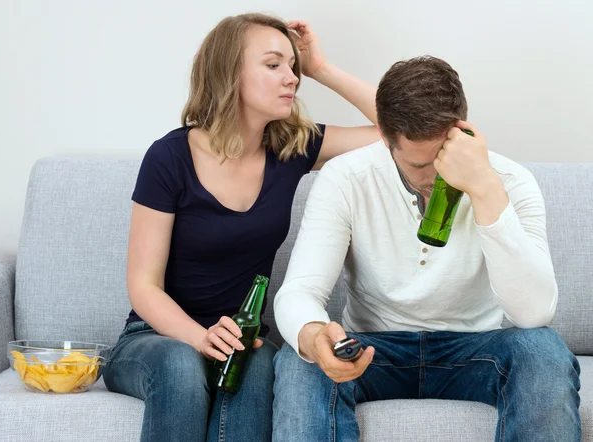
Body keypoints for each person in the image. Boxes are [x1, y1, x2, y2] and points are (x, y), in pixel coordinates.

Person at [272, 55, 581, 441]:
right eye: (420, 165)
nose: (437, 178)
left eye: (443, 157)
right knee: (300, 359)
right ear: (385, 138)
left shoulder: (511, 182)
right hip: (375, 350)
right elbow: (301, 290)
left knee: (543, 350)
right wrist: (314, 335)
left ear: (462, 130)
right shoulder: (346, 177)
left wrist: (484, 189)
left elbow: (533, 313)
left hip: (474, 351)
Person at [102, 13, 380, 442]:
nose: (292, 78)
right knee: (181, 366)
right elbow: (143, 286)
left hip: (245, 340)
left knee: (259, 366)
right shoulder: (169, 158)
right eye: (273, 65)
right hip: (153, 338)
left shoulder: (294, 148)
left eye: (294, 67)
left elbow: (400, 130)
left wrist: (321, 67)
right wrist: (201, 338)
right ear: (229, 72)